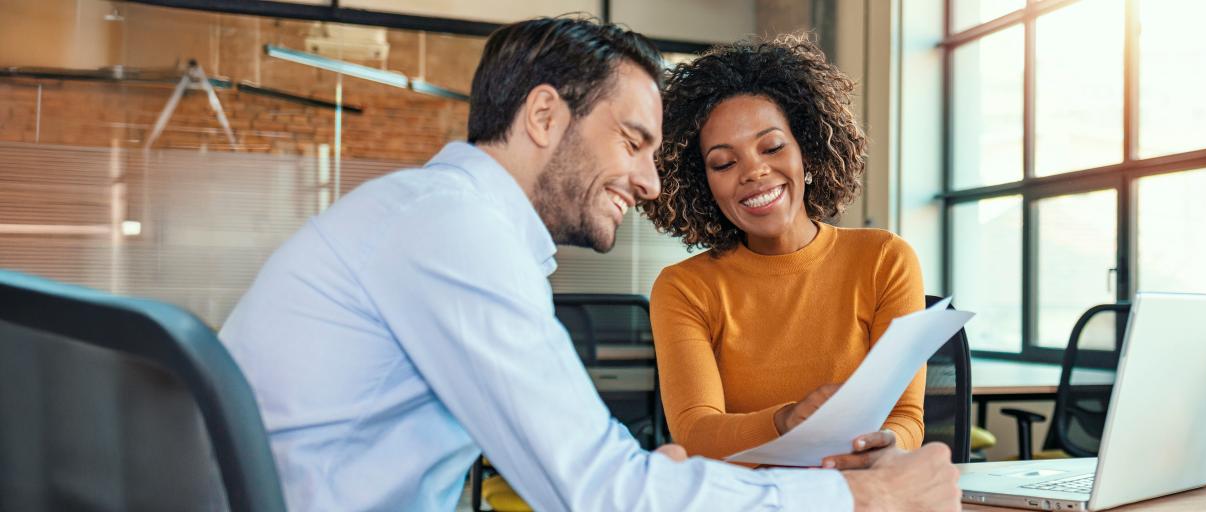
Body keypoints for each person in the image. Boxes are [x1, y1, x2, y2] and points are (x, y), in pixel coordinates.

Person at [220, 17, 959, 511]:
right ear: (545, 117)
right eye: (634, 141)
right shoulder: (453, 232)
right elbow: (595, 492)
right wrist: (866, 499)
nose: (649, 181)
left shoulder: (440, 219)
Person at [641, 34, 928, 468]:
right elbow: (695, 432)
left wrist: (889, 446)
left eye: (772, 147)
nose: (754, 171)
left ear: (808, 153)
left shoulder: (885, 259)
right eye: (724, 162)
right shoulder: (683, 287)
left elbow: (905, 417)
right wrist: (785, 421)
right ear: (704, 184)